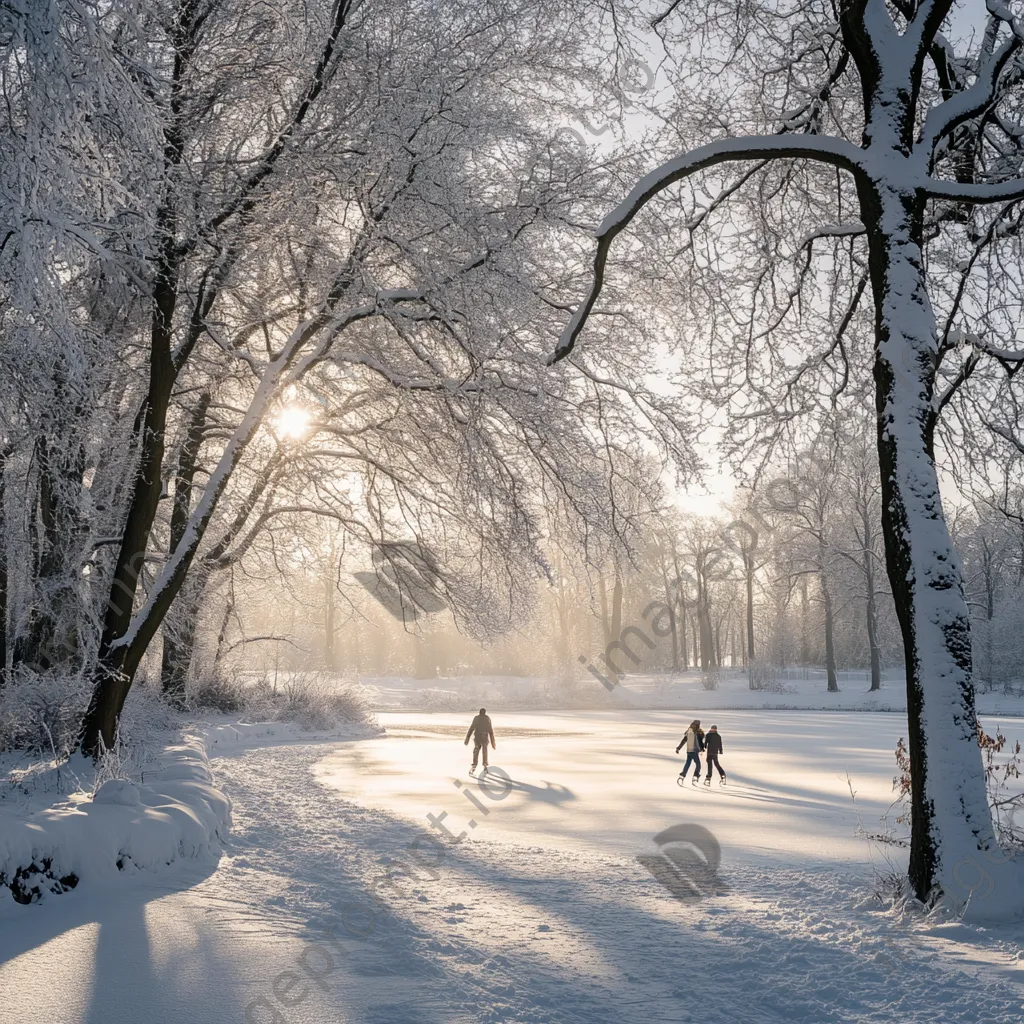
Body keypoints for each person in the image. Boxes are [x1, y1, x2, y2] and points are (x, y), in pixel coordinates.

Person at [464, 707, 496, 773]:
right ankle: (485, 765)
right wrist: (493, 743)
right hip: (484, 737)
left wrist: (467, 739)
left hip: (477, 737)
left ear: (479, 712)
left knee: (476, 750)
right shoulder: (487, 718)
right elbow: (491, 731)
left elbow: (471, 729)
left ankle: (474, 764)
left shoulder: (476, 718)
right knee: (485, 751)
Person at [675, 719, 705, 785]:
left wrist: (678, 748)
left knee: (688, 763)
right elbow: (700, 742)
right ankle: (695, 776)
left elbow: (684, 741)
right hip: (694, 751)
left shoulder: (689, 732)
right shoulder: (697, 732)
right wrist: (702, 749)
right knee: (698, 764)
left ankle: (682, 775)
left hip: (689, 750)